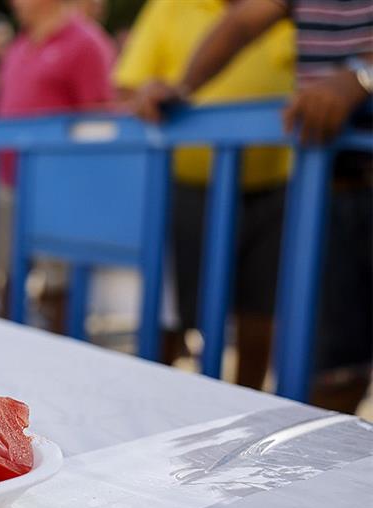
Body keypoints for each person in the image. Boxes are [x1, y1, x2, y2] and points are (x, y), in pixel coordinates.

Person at [132, 0, 372, 413]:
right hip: (335, 185)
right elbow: (242, 24)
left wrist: (363, 79)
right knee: (333, 370)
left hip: (327, 178)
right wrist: (186, 86)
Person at [115, 0, 295, 390]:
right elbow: (129, 87)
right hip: (188, 187)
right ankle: (153, 402)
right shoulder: (169, 8)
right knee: (174, 317)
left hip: (277, 187)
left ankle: (247, 408)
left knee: (260, 316)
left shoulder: (287, 10)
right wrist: (149, 93)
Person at [0, 0, 114, 321]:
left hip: (59, 189)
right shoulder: (19, 45)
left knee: (59, 287)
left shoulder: (86, 43)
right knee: (5, 279)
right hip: (9, 181)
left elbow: (100, 119)